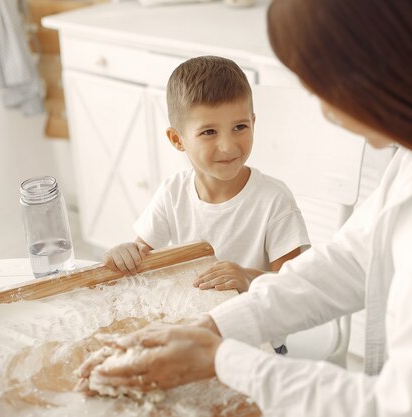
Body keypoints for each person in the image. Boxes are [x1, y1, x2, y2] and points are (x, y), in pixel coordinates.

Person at [79, 1, 412, 416]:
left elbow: (399, 407)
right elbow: (351, 260)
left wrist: (223, 359)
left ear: (385, 72)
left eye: (322, 88)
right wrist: (212, 327)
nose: (326, 113)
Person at [103, 56, 310, 352]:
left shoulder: (274, 201)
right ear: (178, 139)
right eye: (209, 132)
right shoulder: (172, 193)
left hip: (255, 343)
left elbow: (294, 287)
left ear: (253, 122)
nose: (228, 145)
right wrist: (124, 253)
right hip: (194, 334)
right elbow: (140, 258)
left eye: (239, 126)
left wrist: (246, 276)